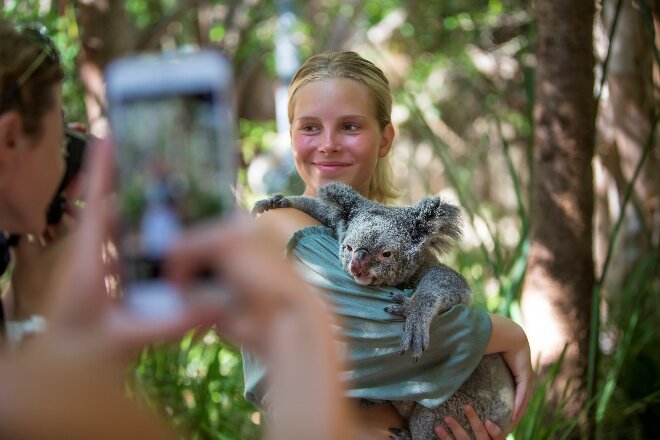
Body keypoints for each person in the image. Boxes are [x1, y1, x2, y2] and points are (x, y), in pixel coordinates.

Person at [0, 22, 360, 439]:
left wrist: (35, 324)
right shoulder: (28, 403)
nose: (68, 153)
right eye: (58, 134)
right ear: (10, 138)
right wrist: (301, 334)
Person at [244, 51, 533, 440]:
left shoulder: (391, 232)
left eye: (349, 126)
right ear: (290, 135)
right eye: (309, 127)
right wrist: (507, 332)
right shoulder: (282, 225)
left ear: (385, 139)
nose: (328, 144)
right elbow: (384, 335)